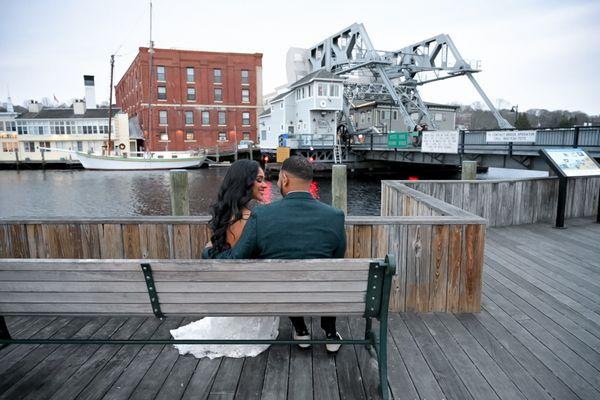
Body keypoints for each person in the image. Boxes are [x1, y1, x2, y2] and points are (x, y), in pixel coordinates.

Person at [214, 155, 347, 353]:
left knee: (288, 273)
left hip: (283, 293)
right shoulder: (335, 216)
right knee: (330, 274)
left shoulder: (262, 215)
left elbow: (236, 258)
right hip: (321, 291)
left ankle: (301, 330)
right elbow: (337, 260)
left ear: (284, 178)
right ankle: (329, 332)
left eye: (277, 179)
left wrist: (209, 253)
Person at [169, 159, 279, 359]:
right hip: (251, 297)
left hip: (231, 293)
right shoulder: (249, 219)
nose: (264, 184)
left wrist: (207, 251)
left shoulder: (227, 214)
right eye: (259, 180)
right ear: (245, 183)